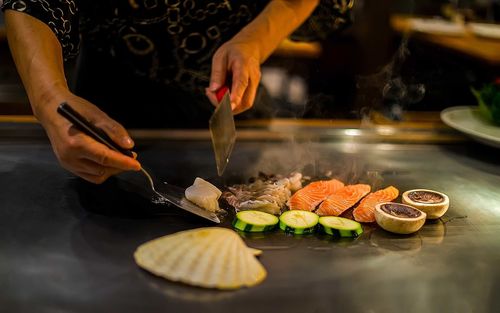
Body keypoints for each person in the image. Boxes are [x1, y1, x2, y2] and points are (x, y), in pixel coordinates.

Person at [2, 0, 350, 184]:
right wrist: (48, 98)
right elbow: (32, 1)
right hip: (111, 95)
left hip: (231, 90)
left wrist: (253, 41)